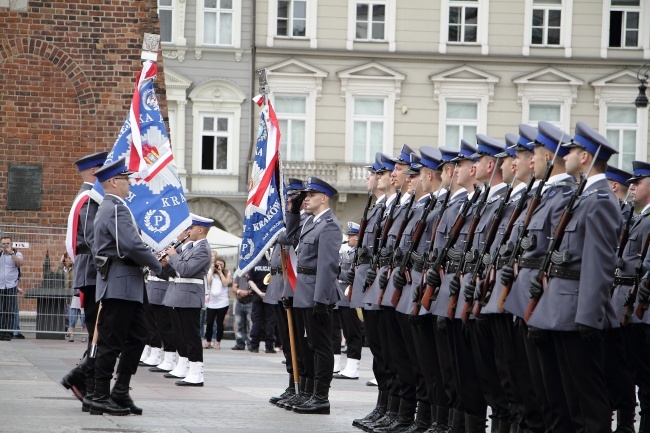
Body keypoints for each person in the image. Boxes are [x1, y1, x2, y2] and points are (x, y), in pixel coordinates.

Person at [90, 157, 162, 416]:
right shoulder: (116, 207)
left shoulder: (110, 207)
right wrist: (155, 263)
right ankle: (100, 394)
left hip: (125, 283)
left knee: (138, 336)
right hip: (121, 282)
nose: (129, 183)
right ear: (113, 181)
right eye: (125, 179)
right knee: (113, 341)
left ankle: (120, 390)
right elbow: (130, 245)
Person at [284, 176, 343, 415]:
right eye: (304, 196)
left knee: (321, 346)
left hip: (318, 294)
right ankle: (309, 394)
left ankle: (321, 397)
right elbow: (289, 238)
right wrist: (295, 211)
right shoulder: (310, 222)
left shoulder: (329, 225)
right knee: (309, 344)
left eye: (309, 196)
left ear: (324, 198)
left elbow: (327, 266)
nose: (305, 199)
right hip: (304, 291)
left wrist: (320, 299)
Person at [60, 150, 107, 407]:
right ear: (94, 171)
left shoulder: (88, 195)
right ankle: (83, 381)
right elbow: (92, 240)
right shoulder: (90, 198)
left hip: (90, 272)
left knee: (99, 334)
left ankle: (89, 384)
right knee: (98, 334)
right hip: (93, 273)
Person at [161, 213, 213, 387]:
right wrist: (164, 262)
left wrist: (173, 255)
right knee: (181, 334)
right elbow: (175, 271)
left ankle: (197, 371)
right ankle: (184, 366)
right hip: (180, 294)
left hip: (190, 295)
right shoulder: (190, 247)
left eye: (191, 228)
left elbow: (186, 270)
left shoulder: (203, 249)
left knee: (191, 334)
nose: (188, 231)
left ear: (200, 229)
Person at [248, 252, 275, 353]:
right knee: (270, 321)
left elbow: (250, 281)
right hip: (270, 296)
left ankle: (254, 346)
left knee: (257, 321)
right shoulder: (271, 265)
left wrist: (259, 292)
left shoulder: (254, 265)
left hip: (257, 296)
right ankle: (269, 346)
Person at [205, 253, 232, 349]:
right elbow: (207, 282)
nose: (219, 266)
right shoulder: (210, 272)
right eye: (217, 264)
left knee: (220, 323)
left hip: (222, 302)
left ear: (224, 265)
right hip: (212, 302)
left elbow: (225, 284)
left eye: (221, 264)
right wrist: (212, 271)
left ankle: (218, 342)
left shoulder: (227, 272)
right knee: (209, 322)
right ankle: (208, 342)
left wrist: (220, 272)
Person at [0, 235, 24, 341]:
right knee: (1, 310)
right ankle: (1, 331)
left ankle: (8, 333)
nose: (5, 246)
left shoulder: (16, 254)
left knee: (9, 310)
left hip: (11, 285)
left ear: (11, 244)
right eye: (3, 243)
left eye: (7, 243)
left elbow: (20, 263)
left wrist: (11, 253)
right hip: (0, 285)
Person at [231, 274, 253, 350]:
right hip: (239, 302)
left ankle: (251, 344)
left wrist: (247, 292)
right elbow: (234, 287)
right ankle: (239, 344)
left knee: (251, 325)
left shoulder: (253, 274)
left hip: (250, 301)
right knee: (238, 324)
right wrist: (239, 291)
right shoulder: (239, 275)